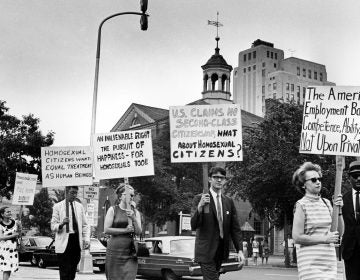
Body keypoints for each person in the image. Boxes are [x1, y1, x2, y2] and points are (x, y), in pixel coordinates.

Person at [292, 162, 344, 280]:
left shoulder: (327, 203)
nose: (318, 182)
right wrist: (324, 239)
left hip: (329, 263)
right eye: (313, 179)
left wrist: (340, 211)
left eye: (319, 179)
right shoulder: (301, 205)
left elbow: (338, 234)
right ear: (303, 185)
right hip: (310, 265)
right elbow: (297, 237)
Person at [191, 166, 244, 280]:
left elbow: (235, 229)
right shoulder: (200, 199)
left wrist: (239, 250)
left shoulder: (228, 201)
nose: (219, 180)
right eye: (215, 177)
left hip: (221, 251)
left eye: (222, 178)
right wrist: (200, 207)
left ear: (224, 180)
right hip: (206, 252)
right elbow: (194, 225)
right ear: (209, 179)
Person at [51, 186, 90, 280]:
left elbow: (85, 225)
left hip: (76, 241)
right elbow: (53, 226)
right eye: (72, 192)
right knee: (65, 271)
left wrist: (86, 239)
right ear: (66, 192)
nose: (74, 195)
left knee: (73, 269)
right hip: (64, 242)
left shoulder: (79, 206)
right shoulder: (58, 206)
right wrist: (62, 224)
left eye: (76, 193)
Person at [104, 183, 142, 280]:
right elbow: (107, 229)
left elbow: (138, 231)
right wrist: (125, 230)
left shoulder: (135, 212)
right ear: (120, 196)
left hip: (130, 252)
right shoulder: (113, 210)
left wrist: (133, 218)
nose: (131, 197)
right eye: (129, 195)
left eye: (132, 195)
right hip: (114, 250)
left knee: (129, 277)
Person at [342, 160, 360, 280]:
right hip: (350, 253)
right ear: (349, 178)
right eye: (355, 176)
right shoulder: (342, 199)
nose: (359, 178)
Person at [0, 207, 19, 280]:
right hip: (5, 249)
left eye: (10, 211)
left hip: (13, 248)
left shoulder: (15, 222)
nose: (10, 213)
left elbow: (19, 233)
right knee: (6, 268)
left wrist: (20, 228)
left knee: (10, 268)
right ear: (2, 214)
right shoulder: (0, 225)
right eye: (7, 212)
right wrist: (12, 235)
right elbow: (0, 237)